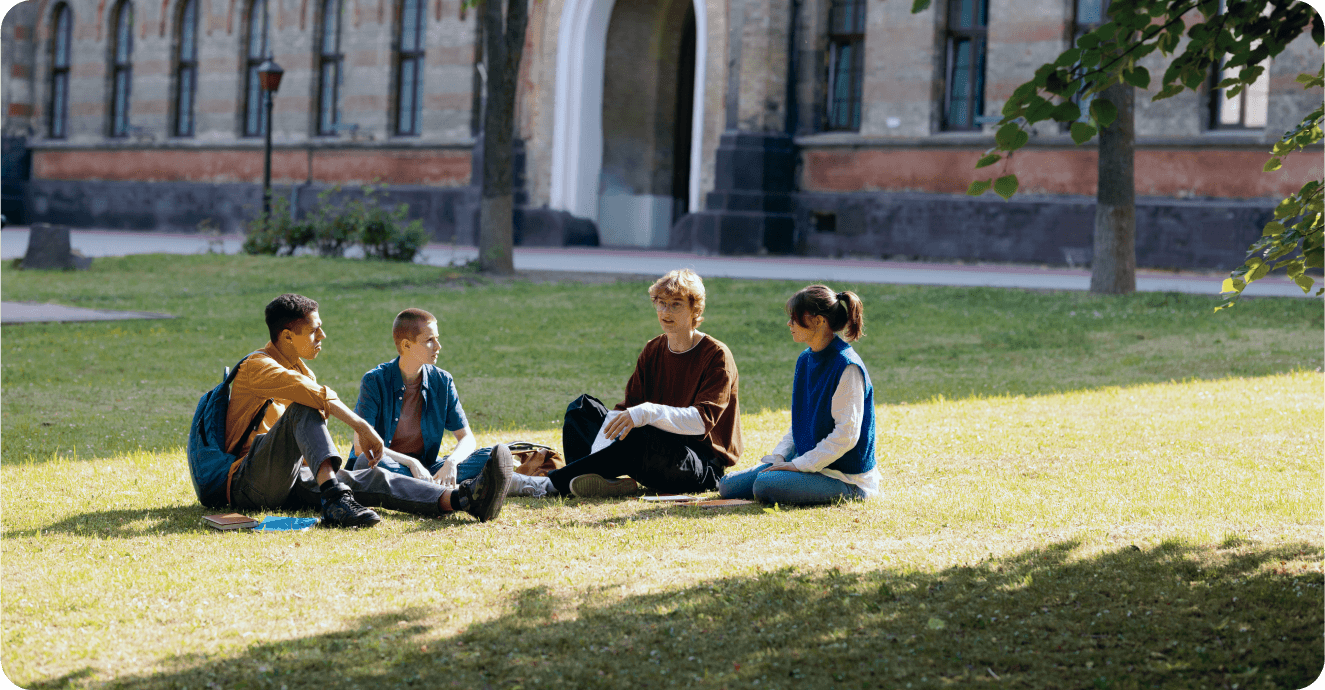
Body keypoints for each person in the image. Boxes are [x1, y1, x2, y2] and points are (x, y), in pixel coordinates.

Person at [223, 294, 513, 526]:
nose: (322, 335)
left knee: (374, 477)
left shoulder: (305, 373)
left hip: (294, 477)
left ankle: (463, 500)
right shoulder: (255, 366)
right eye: (313, 330)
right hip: (248, 480)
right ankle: (335, 500)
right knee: (307, 406)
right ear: (287, 337)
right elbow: (312, 396)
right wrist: (362, 427)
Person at [548, 269, 742, 498]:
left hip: (699, 464)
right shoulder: (653, 349)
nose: (665, 312)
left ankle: (550, 485)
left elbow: (701, 422)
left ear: (695, 310)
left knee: (639, 435)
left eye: (676, 304)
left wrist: (647, 413)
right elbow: (630, 409)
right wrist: (615, 430)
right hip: (654, 448)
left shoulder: (716, 354)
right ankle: (594, 479)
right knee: (582, 410)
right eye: (661, 304)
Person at [348, 308, 552, 497]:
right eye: (429, 340)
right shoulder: (374, 380)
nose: (438, 346)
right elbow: (361, 446)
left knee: (496, 454)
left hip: (428, 469)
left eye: (437, 339)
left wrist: (452, 462)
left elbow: (467, 438)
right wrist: (411, 463)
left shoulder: (442, 381)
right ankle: (456, 490)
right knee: (366, 462)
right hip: (390, 466)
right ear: (406, 345)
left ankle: (435, 488)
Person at [718, 285, 878, 505]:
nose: (789, 324)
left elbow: (846, 435)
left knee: (765, 485)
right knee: (728, 485)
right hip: (808, 465)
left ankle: (849, 492)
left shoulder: (847, 367)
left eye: (795, 318)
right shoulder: (805, 359)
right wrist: (781, 457)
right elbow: (801, 423)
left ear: (820, 321)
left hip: (843, 478)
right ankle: (783, 474)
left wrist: (797, 466)